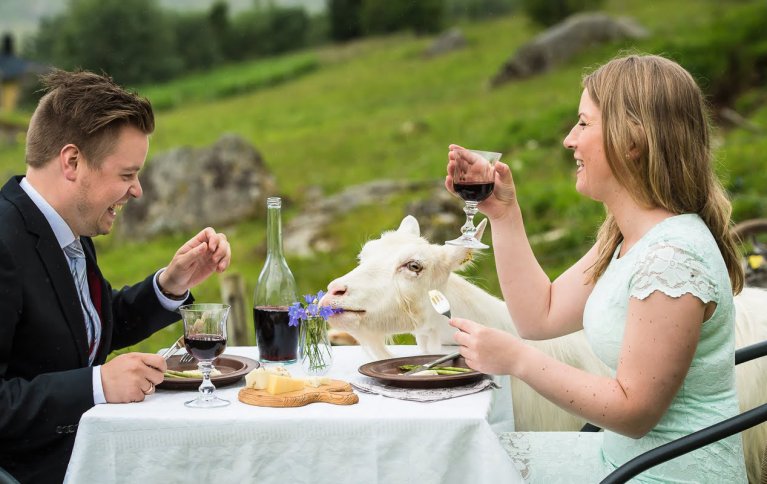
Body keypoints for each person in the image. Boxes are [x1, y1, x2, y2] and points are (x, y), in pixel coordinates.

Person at [446, 54, 747, 482]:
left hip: (664, 475)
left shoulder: (672, 258)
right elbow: (539, 315)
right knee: (462, 464)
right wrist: (503, 214)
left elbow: (633, 412)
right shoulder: (633, 237)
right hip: (624, 461)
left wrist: (517, 359)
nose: (569, 140)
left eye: (584, 124)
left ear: (632, 141)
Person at [0, 69, 231, 484]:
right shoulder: (4, 241)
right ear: (72, 162)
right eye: (126, 175)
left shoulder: (67, 227)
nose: (137, 190)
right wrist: (97, 385)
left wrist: (171, 285)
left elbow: (88, 329)